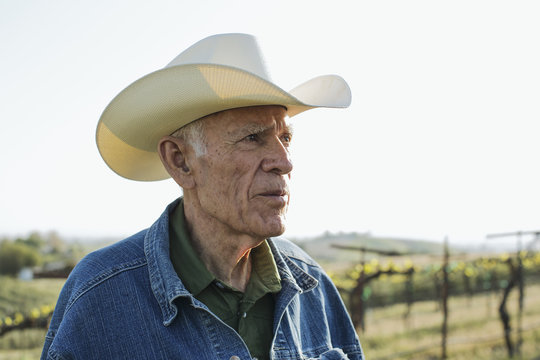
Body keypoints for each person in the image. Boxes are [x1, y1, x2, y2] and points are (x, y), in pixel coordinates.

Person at [41, 33, 363, 360]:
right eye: (252, 137)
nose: (284, 162)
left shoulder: (313, 286)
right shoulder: (99, 298)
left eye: (285, 138)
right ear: (180, 161)